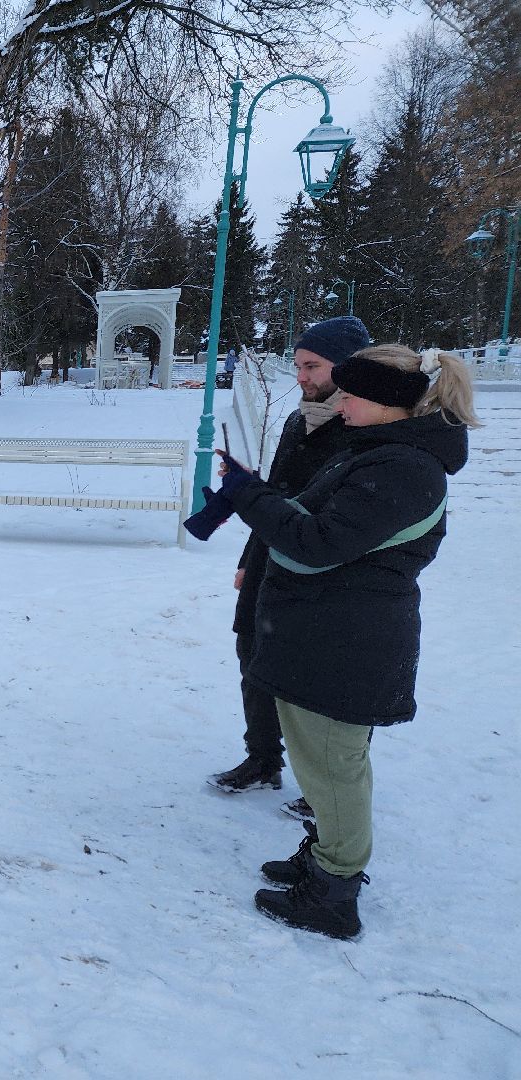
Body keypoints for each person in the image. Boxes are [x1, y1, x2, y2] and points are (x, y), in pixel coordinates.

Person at [205, 344, 479, 939]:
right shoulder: (380, 453)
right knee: (323, 763)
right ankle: (328, 856)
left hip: (346, 644)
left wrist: (250, 497)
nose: (341, 403)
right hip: (327, 635)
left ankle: (333, 892)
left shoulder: (403, 469)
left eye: (351, 395)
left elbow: (315, 541)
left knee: (333, 769)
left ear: (386, 403)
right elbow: (309, 519)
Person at [208, 316, 371, 807]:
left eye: (312, 366)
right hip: (270, 559)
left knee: (322, 682)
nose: (301, 376)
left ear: (348, 368)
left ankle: (329, 788)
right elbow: (276, 495)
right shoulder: (300, 419)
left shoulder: (365, 428)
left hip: (326, 573)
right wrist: (248, 557)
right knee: (254, 658)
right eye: (298, 365)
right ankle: (262, 760)